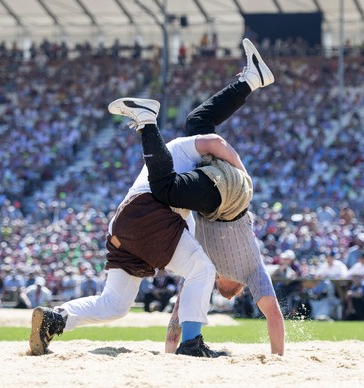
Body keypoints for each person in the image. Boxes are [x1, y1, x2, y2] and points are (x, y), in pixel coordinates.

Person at [29, 91, 248, 358]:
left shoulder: (183, 186)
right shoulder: (183, 147)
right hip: (150, 216)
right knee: (201, 269)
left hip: (124, 224)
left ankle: (56, 318)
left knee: (114, 304)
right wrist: (244, 175)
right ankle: (192, 344)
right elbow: (216, 140)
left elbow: (187, 242)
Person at [111, 39, 284, 355]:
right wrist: (278, 359)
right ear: (236, 284)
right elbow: (273, 314)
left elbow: (180, 310)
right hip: (227, 195)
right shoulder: (249, 270)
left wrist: (167, 350)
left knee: (195, 124)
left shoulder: (208, 265)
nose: (219, 284)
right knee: (165, 186)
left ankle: (252, 79)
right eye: (223, 286)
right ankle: (147, 122)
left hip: (221, 188)